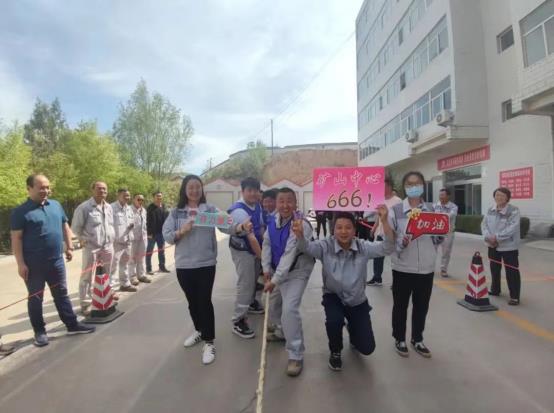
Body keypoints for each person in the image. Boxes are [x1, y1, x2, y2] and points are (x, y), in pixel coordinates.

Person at [163, 175, 249, 365]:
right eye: (190, 187)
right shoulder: (176, 213)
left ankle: (209, 341)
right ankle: (200, 331)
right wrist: (181, 231)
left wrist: (240, 227)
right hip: (184, 265)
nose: (194, 190)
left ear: (202, 189)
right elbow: (167, 236)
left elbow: (226, 225)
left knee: (204, 301)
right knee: (192, 302)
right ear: (185, 190)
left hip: (206, 264)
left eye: (198, 187)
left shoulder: (209, 210)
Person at [293, 210, 394, 371]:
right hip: (333, 297)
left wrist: (385, 221)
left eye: (348, 227)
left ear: (354, 230)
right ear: (333, 230)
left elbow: (387, 248)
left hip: (357, 300)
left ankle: (352, 329)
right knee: (334, 321)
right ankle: (335, 351)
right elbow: (306, 247)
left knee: (367, 348)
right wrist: (299, 235)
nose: (343, 231)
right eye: (339, 227)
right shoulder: (325, 246)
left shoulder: (363, 247)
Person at [11, 175, 95, 347]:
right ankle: (40, 332)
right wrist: (21, 264)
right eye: (41, 187)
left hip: (56, 262)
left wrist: (69, 246)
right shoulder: (20, 212)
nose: (45, 190)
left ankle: (72, 325)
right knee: (36, 298)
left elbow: (65, 226)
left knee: (61, 294)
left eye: (47, 187)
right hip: (33, 266)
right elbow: (16, 239)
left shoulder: (56, 205)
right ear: (29, 188)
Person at [389, 171, 443, 359]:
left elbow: (438, 237)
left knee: (421, 306)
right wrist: (401, 243)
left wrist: (440, 234)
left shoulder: (432, 209)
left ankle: (417, 338)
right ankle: (399, 339)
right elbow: (390, 239)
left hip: (426, 267)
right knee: (400, 306)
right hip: (403, 267)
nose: (414, 187)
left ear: (423, 186)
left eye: (417, 183)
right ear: (404, 187)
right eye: (410, 184)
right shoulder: (396, 210)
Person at [262, 188, 315, 377]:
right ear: (276, 203)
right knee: (271, 303)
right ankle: (283, 331)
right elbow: (267, 244)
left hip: (298, 271)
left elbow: (289, 255)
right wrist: (266, 268)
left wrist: (274, 280)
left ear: (296, 203)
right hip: (279, 271)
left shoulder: (300, 224)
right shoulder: (272, 221)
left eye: (289, 201)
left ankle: (295, 354)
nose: (285, 205)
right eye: (281, 201)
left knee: (289, 309)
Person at [72, 181, 117, 315]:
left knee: (107, 274)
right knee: (87, 276)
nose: (102, 191)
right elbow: (75, 228)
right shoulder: (84, 207)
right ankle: (85, 303)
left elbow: (110, 224)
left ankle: (106, 298)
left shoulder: (109, 207)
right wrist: (82, 240)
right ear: (92, 190)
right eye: (99, 188)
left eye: (104, 189)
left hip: (107, 246)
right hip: (91, 247)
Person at [227, 177, 265, 338]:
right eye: (249, 190)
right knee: (246, 283)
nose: (253, 193)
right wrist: (264, 259)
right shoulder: (239, 211)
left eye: (256, 190)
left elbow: (261, 229)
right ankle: (238, 321)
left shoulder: (256, 205)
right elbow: (252, 238)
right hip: (243, 251)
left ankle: (250, 303)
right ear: (242, 191)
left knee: (254, 278)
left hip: (254, 249)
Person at [481, 187, 521, 305]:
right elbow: (484, 224)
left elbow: (512, 227)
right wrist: (488, 237)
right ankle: (495, 289)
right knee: (494, 268)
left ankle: (514, 296)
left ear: (507, 198)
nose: (499, 197)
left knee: (511, 271)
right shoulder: (490, 209)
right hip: (492, 245)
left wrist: (497, 238)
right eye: (497, 195)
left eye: (502, 195)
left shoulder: (514, 210)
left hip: (509, 246)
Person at [367, 176, 402, 286]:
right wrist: (374, 228)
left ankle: (396, 282)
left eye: (383, 186)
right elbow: (379, 217)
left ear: (389, 187)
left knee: (395, 259)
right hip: (380, 233)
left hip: (393, 234)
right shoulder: (380, 200)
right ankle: (377, 278)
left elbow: (400, 220)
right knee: (377, 256)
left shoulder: (398, 201)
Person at [111, 188, 138, 292]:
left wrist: (132, 225)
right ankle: (110, 289)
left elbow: (132, 221)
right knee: (113, 266)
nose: (127, 197)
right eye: (125, 195)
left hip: (127, 241)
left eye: (128, 195)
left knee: (125, 264)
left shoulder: (129, 208)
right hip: (116, 243)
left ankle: (125, 284)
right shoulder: (111, 208)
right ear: (118, 195)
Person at [434, 188, 458, 278]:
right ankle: (430, 267)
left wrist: (438, 216)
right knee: (432, 251)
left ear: (448, 196)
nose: (440, 197)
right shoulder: (435, 206)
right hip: (435, 232)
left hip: (448, 233)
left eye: (443, 195)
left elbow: (449, 216)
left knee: (446, 252)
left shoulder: (453, 207)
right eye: (440, 195)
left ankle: (443, 269)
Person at [146, 191, 170, 275]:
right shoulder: (150, 208)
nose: (159, 197)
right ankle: (148, 269)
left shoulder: (164, 207)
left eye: (160, 196)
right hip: (152, 234)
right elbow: (148, 221)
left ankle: (162, 267)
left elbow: (167, 220)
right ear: (154, 197)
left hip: (161, 234)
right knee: (149, 252)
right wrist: (149, 233)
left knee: (161, 251)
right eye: (157, 196)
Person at [130, 194, 151, 285]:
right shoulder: (129, 210)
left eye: (142, 200)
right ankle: (132, 277)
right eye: (138, 199)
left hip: (143, 237)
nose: (140, 201)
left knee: (141, 257)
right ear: (134, 200)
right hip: (133, 238)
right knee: (132, 259)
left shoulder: (144, 210)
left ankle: (141, 275)